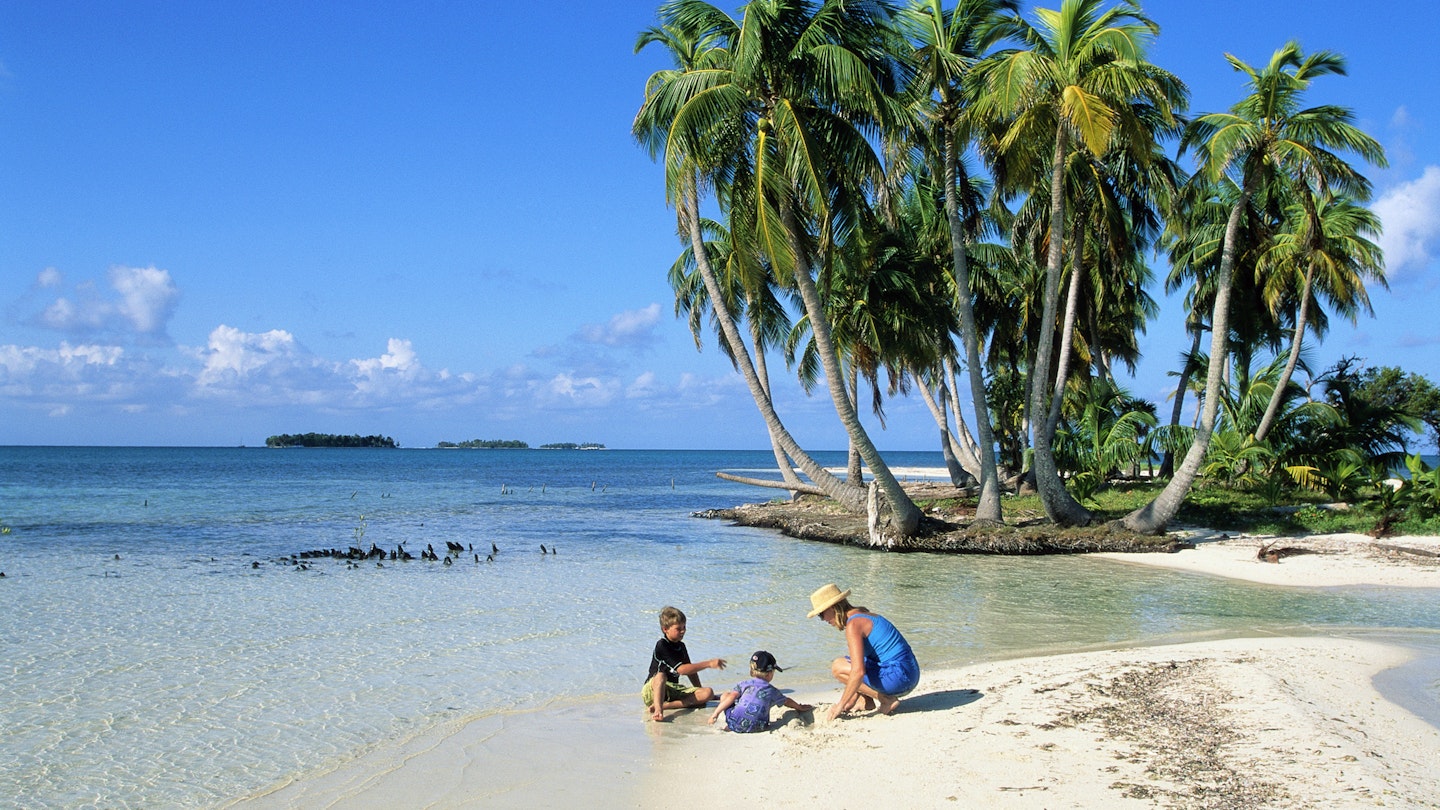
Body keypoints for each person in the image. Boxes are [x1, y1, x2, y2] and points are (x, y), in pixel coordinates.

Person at [807, 583, 919, 719]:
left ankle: (886, 700)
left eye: (821, 614)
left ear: (832, 608)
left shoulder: (854, 625)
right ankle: (865, 700)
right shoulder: (862, 613)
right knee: (850, 660)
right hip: (911, 673)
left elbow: (858, 672)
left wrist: (840, 705)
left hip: (899, 678)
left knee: (838, 666)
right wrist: (853, 696)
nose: (823, 619)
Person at [643, 605, 726, 722]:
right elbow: (682, 670)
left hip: (672, 691)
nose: (683, 631)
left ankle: (668, 705)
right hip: (653, 690)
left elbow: (691, 672)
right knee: (661, 676)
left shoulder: (681, 646)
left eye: (684, 627)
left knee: (708, 692)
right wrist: (708, 663)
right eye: (678, 628)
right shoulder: (662, 645)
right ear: (665, 629)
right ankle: (658, 709)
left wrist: (699, 690)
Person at [708, 651, 813, 733]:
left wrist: (715, 714)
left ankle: (729, 727)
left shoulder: (744, 684)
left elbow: (731, 697)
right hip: (759, 727)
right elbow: (787, 701)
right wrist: (799, 707)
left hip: (734, 723)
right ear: (768, 674)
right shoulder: (772, 690)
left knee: (726, 695)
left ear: (752, 670)